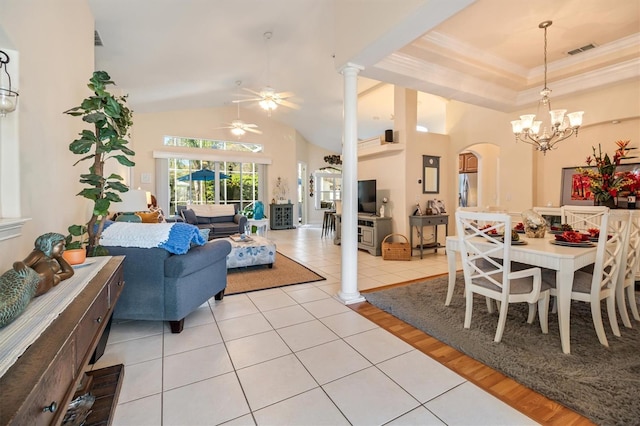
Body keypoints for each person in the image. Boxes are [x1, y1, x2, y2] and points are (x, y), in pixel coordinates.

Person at [13, 232, 75, 297]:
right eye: (61, 245)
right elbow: (22, 264)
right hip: (28, 291)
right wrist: (18, 264)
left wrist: (59, 257)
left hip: (42, 288)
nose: (64, 249)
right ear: (52, 244)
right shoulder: (38, 254)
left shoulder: (50, 260)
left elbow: (69, 272)